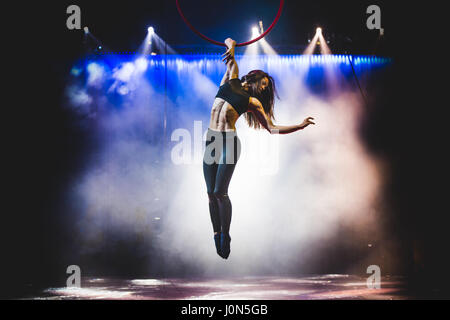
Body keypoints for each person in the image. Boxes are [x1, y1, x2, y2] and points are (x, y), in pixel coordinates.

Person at [203, 38, 315, 259]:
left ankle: (226, 235)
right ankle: (216, 234)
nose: (264, 89)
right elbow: (229, 40)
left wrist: (299, 126)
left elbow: (271, 128)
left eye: (265, 88)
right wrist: (232, 47)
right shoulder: (231, 76)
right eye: (263, 84)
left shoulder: (253, 102)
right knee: (209, 194)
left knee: (219, 192)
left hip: (229, 142)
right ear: (255, 78)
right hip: (211, 140)